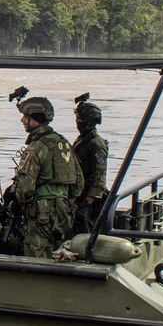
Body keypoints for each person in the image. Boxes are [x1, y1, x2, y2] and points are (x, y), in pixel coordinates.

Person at [12, 97, 83, 258]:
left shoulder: (36, 147)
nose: (22, 120)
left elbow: (25, 189)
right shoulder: (63, 143)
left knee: (36, 254)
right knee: (61, 252)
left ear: (35, 119)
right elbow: (79, 183)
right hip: (63, 210)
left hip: (40, 212)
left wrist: (26, 205)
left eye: (26, 117)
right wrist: (64, 201)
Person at [72, 96, 109, 232]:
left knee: (86, 226)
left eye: (81, 119)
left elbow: (100, 173)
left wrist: (91, 197)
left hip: (90, 196)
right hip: (80, 190)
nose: (78, 122)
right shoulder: (83, 140)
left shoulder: (96, 144)